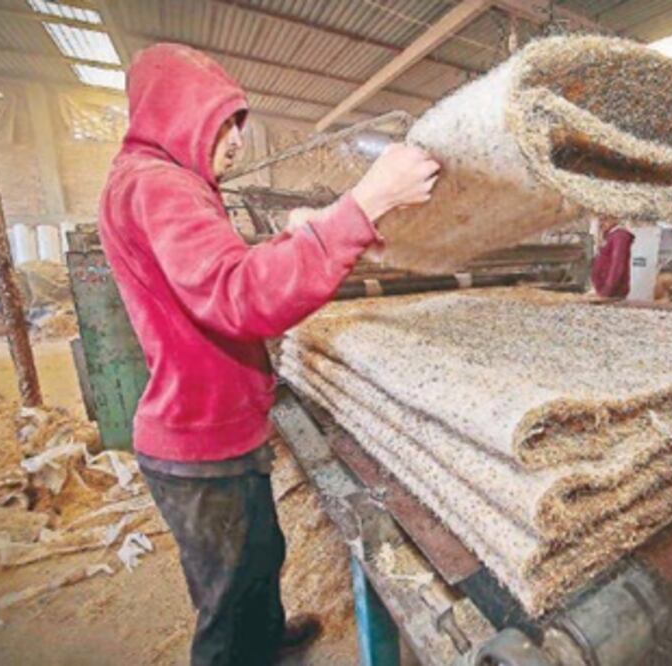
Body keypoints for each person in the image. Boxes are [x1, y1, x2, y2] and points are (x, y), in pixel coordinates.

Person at [98, 44, 439, 665]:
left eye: (237, 122)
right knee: (226, 600)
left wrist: (302, 232)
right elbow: (238, 294)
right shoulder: (160, 185)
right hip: (198, 437)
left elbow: (215, 273)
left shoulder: (156, 182)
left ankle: (264, 636)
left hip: (218, 421)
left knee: (257, 554)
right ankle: (241, 647)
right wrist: (364, 204)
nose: (235, 142)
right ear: (178, 112)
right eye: (220, 122)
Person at [590, 216, 634, 298]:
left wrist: (607, 290)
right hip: (603, 291)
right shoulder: (609, 235)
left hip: (612, 293)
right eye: (600, 220)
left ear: (615, 219)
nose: (601, 223)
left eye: (605, 219)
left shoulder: (620, 236)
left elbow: (617, 265)